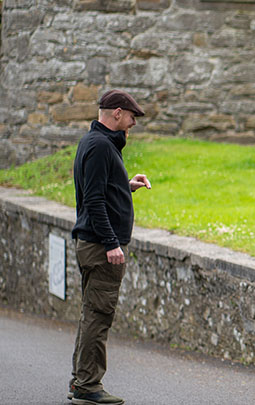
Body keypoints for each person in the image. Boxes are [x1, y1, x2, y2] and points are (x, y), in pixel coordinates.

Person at [68, 89, 152, 405]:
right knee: (98, 316)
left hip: (93, 244)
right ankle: (88, 386)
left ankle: (80, 382)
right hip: (100, 248)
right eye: (131, 118)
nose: (132, 125)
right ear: (116, 113)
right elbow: (93, 200)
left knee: (92, 313)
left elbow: (100, 189)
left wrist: (125, 186)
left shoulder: (95, 142)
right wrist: (111, 243)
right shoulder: (102, 146)